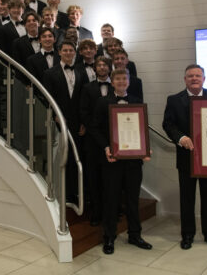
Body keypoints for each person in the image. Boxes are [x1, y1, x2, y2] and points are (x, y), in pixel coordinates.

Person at [162, 64, 207, 250]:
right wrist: (180, 138)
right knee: (187, 199)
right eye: (190, 76)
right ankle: (187, 235)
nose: (194, 78)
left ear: (204, 79)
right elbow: (168, 124)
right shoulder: (173, 100)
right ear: (185, 79)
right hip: (186, 157)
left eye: (198, 75)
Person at [91, 68, 152, 254]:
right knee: (111, 199)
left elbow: (142, 127)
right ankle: (109, 237)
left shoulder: (136, 101)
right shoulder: (102, 102)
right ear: (112, 82)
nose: (121, 82)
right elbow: (95, 128)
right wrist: (106, 147)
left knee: (133, 199)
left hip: (134, 160)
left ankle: (135, 235)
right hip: (112, 159)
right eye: (117, 79)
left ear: (128, 81)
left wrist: (145, 147)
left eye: (124, 79)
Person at [43, 40, 89, 204]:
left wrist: (84, 121)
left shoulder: (81, 72)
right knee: (60, 156)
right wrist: (55, 115)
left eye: (71, 50)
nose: (69, 53)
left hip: (77, 122)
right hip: (58, 120)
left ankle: (73, 193)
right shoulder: (50, 73)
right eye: (66, 50)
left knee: (75, 158)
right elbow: (47, 97)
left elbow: (85, 99)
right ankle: (57, 191)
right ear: (59, 52)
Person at [79, 55, 112, 226]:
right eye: (99, 65)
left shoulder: (116, 87)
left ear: (109, 68)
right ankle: (96, 212)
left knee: (110, 178)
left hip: (112, 140)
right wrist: (94, 130)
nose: (102, 68)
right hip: (92, 140)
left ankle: (111, 212)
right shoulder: (87, 88)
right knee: (93, 177)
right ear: (94, 69)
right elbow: (83, 112)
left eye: (105, 65)